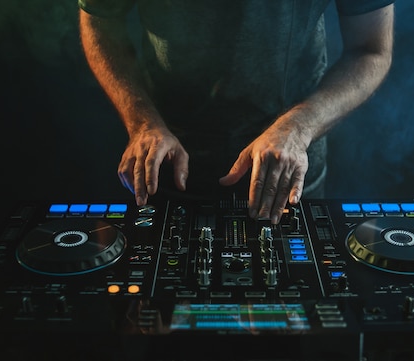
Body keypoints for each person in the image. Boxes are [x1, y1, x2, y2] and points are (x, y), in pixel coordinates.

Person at [78, 0, 394, 224]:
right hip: (164, 170)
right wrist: (142, 121)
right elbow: (100, 20)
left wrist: (297, 129)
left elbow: (371, 51)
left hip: (286, 174)